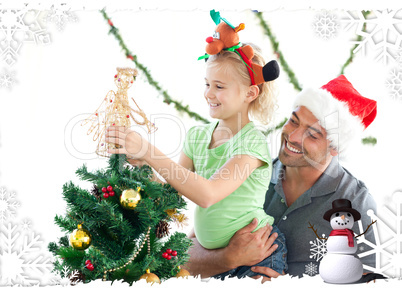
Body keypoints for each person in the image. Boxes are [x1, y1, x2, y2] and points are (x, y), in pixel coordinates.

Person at [105, 13, 288, 279]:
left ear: (250, 93)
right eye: (207, 84)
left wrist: (151, 152)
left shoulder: (251, 143)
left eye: (220, 86)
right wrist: (146, 165)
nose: (209, 94)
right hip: (214, 258)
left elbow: (208, 194)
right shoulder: (197, 136)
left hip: (259, 252)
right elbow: (172, 196)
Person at [184, 74, 378, 282]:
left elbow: (367, 283)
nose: (293, 137)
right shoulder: (247, 170)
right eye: (293, 121)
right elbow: (183, 255)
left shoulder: (356, 203)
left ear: (334, 148)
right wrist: (227, 258)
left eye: (312, 135)